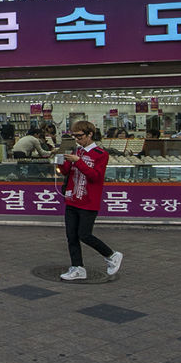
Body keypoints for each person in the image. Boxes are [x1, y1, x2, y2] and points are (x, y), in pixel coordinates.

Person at [58, 120, 123, 281]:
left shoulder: (101, 154)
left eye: (80, 136)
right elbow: (67, 172)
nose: (77, 140)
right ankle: (77, 267)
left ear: (90, 134)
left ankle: (111, 254)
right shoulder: (76, 151)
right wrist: (61, 163)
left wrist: (78, 162)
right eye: (75, 136)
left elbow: (96, 177)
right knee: (71, 236)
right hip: (72, 198)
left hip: (88, 201)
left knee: (84, 234)